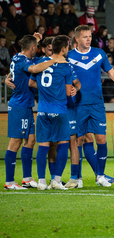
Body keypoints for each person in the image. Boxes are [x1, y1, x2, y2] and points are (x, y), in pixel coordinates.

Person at [67, 25, 114, 187]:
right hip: (78, 104)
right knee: (78, 140)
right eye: (85, 37)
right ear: (77, 39)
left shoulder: (99, 53)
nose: (88, 39)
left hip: (96, 103)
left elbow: (112, 73)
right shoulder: (69, 56)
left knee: (101, 139)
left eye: (90, 36)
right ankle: (77, 178)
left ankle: (100, 176)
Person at [4, 33, 65, 190]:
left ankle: (27, 178)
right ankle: (9, 182)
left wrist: (36, 40)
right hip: (19, 106)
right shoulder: (23, 60)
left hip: (27, 106)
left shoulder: (19, 57)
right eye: (35, 47)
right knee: (15, 143)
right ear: (32, 48)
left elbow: (25, 63)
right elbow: (33, 68)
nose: (37, 50)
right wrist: (53, 60)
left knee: (31, 140)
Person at [32, 35, 72, 190]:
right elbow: (68, 92)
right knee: (63, 143)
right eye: (67, 47)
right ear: (63, 49)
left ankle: (41, 181)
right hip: (59, 110)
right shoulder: (65, 66)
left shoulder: (41, 62)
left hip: (42, 111)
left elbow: (30, 79)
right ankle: (56, 180)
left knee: (43, 145)